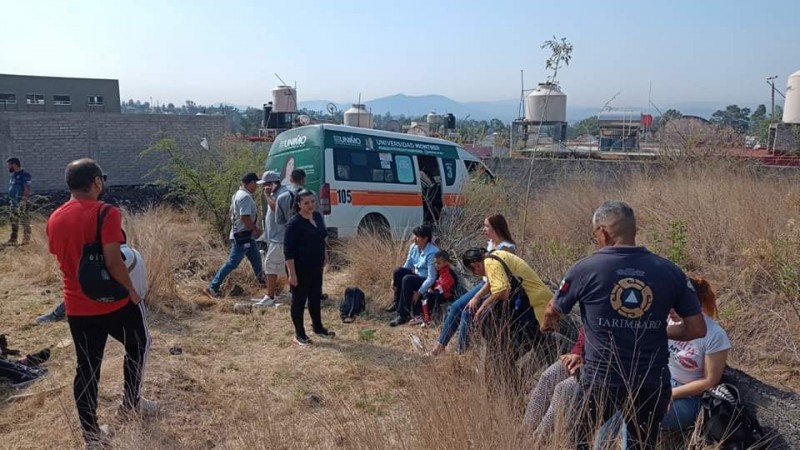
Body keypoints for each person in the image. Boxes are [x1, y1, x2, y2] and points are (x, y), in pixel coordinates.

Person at [540, 200, 707, 450]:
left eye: (595, 233)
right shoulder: (670, 271)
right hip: (651, 382)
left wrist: (546, 325)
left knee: (579, 440)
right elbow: (697, 329)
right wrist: (653, 329)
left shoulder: (586, 268)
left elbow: (553, 309)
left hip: (601, 380)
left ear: (603, 232)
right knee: (642, 445)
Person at [46, 159, 156, 449]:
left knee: (87, 369)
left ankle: (91, 437)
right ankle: (131, 403)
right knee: (139, 345)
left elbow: (62, 258)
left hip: (77, 307)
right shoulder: (106, 213)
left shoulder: (54, 217)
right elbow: (113, 261)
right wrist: (132, 291)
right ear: (96, 182)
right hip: (115, 303)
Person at [431, 214, 518, 356]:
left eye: (487, 226)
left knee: (467, 311)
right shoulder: (491, 243)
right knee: (455, 307)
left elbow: (498, 279)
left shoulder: (507, 248)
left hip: (496, 287)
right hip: (485, 283)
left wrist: (477, 298)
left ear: (496, 227)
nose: (484, 229)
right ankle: (440, 346)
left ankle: (461, 352)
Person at [461, 247, 551, 368]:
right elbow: (493, 282)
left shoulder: (490, 262)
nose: (474, 274)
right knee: (537, 347)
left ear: (475, 265)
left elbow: (503, 291)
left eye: (473, 271)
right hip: (536, 301)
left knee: (540, 346)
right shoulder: (492, 257)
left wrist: (482, 307)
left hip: (537, 305)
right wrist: (477, 297)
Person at [662, 276, 730, 430]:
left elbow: (709, 381)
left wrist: (670, 394)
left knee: (645, 413)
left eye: (676, 304)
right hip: (663, 382)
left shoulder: (714, 335)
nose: (671, 309)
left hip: (689, 397)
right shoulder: (668, 320)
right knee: (620, 402)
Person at [284, 190, 334, 346]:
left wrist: (325, 255)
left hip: (315, 265)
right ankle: (299, 334)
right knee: (299, 300)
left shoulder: (318, 217)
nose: (310, 205)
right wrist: (292, 273)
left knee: (315, 297)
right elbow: (288, 250)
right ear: (299, 204)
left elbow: (321, 238)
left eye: (312, 201)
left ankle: (318, 327)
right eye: (306, 202)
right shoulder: (294, 223)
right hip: (299, 267)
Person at [204, 173, 265, 298]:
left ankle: (262, 284)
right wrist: (256, 230)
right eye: (255, 184)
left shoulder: (237, 194)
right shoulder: (245, 197)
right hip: (242, 236)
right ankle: (212, 287)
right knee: (232, 263)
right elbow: (244, 218)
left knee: (256, 259)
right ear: (251, 183)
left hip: (246, 236)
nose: (256, 187)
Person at [524, 327, 585, 436]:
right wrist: (577, 352)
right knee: (548, 376)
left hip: (601, 367)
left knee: (563, 389)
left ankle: (537, 440)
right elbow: (585, 333)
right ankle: (525, 431)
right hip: (582, 356)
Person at [388, 225, 439, 327]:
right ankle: (397, 303)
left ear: (425, 239)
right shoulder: (414, 247)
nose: (414, 238)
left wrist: (419, 292)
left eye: (417, 236)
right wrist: (394, 279)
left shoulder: (432, 252)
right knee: (398, 272)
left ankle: (403, 314)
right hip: (416, 275)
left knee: (407, 279)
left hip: (426, 279)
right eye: (414, 235)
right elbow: (408, 265)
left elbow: (431, 277)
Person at [254, 170, 287, 308]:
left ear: (273, 184)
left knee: (270, 267)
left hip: (279, 238)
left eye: (266, 185)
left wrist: (267, 196)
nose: (264, 188)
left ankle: (270, 296)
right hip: (275, 237)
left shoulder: (282, 194)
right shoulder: (276, 194)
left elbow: (277, 210)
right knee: (286, 267)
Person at [417, 250, 457, 326]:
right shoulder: (440, 271)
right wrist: (431, 289)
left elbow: (445, 286)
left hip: (447, 295)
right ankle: (425, 317)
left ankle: (427, 319)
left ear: (446, 262)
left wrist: (434, 291)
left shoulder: (448, 273)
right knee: (425, 294)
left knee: (427, 296)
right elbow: (436, 282)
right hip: (439, 293)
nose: (436, 265)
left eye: (438, 263)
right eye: (435, 263)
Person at [6, 157, 32, 245]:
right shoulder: (13, 175)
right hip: (13, 202)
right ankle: (13, 239)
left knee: (24, 220)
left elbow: (27, 188)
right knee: (13, 220)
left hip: (21, 201)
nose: (8, 167)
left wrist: (24, 200)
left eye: (9, 165)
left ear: (14, 165)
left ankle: (26, 240)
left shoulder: (25, 175)